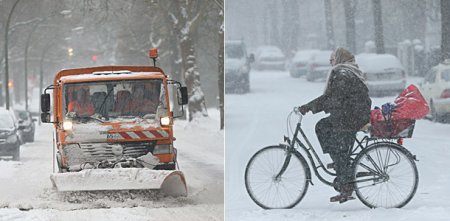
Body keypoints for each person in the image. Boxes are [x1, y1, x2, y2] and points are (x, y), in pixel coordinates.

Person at [298, 47, 372, 203]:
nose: (330, 61)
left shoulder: (343, 74)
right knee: (323, 127)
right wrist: (312, 106)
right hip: (350, 115)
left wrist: (310, 107)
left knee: (337, 146)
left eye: (332, 58)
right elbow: (333, 97)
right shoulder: (345, 72)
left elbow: (334, 98)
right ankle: (339, 162)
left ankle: (344, 175)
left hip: (350, 118)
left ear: (339, 59)